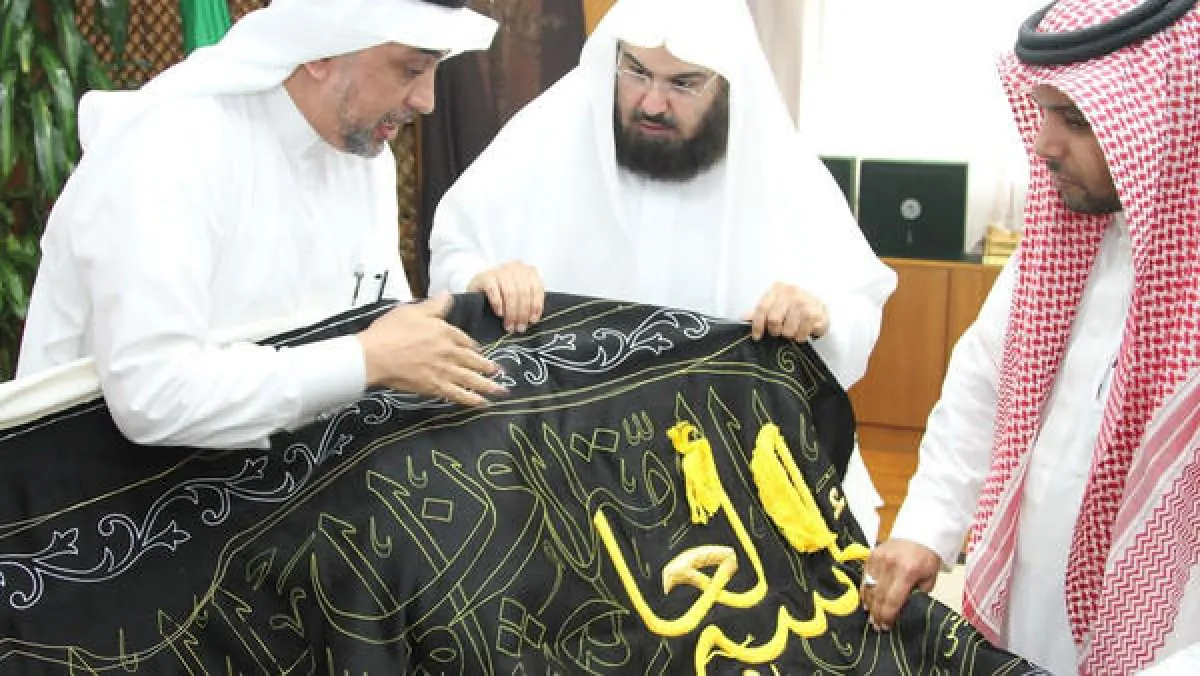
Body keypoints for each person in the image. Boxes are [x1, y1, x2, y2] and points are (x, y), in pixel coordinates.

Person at [427, 0, 897, 543]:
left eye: (683, 84)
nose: (652, 102)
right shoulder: (544, 136)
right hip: (564, 475)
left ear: (726, 83)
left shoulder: (781, 169)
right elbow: (457, 250)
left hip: (736, 482)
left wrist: (820, 314)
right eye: (636, 73)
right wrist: (484, 279)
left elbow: (857, 301)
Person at [862, 0, 1200, 673]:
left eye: (1075, 119)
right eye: (1042, 111)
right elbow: (983, 387)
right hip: (1031, 605)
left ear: (1171, 118)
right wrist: (928, 525)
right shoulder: (1061, 242)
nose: (1043, 145)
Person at [16, 0, 507, 450]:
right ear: (321, 53)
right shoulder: (171, 147)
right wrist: (363, 361)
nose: (426, 100)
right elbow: (152, 395)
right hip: (115, 493)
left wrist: (475, 301)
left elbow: (385, 325)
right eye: (411, 70)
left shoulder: (364, 157)